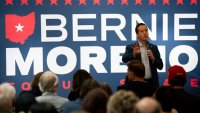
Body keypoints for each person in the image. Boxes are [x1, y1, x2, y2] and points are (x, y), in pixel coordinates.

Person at [122, 23, 163, 90]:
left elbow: (161, 66)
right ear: (137, 34)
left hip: (151, 83)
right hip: (135, 84)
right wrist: (133, 53)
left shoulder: (153, 47)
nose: (145, 33)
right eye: (142, 31)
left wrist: (153, 58)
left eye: (146, 30)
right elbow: (124, 59)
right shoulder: (132, 47)